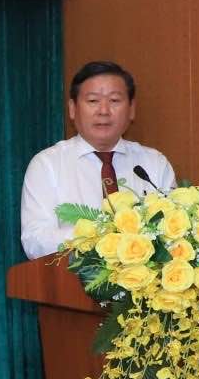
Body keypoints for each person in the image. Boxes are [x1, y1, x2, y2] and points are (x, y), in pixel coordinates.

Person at [20, 60, 176, 258]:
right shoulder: (47, 165)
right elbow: (35, 242)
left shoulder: (154, 164)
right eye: (93, 101)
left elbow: (173, 231)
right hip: (70, 283)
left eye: (114, 101)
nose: (103, 111)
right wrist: (102, 234)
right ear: (72, 109)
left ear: (131, 109)